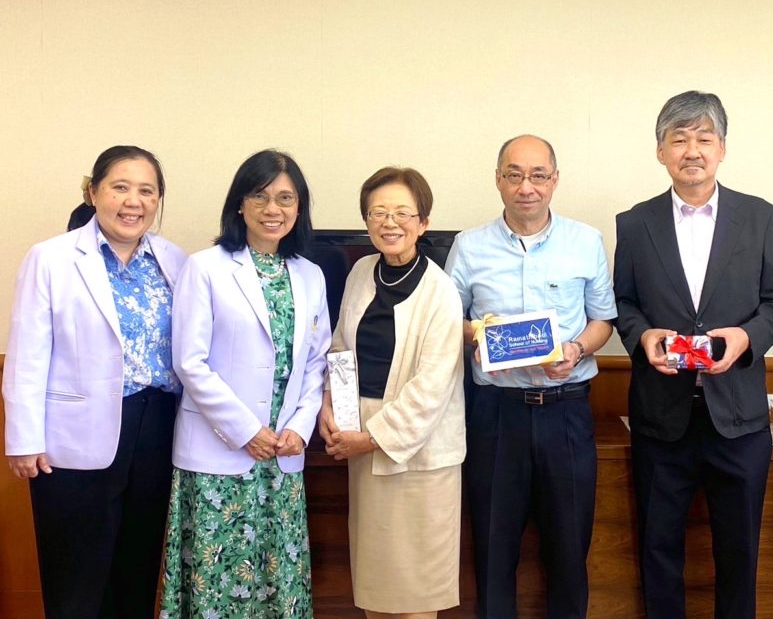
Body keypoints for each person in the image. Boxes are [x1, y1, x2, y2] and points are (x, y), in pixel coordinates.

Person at [613, 91, 773, 619]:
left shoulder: (759, 217)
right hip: (660, 418)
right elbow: (622, 302)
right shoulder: (634, 223)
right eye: (679, 139)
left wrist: (746, 339)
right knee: (658, 551)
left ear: (722, 149)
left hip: (738, 418)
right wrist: (642, 336)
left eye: (703, 138)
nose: (691, 150)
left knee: (739, 554)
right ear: (660, 151)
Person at [3, 146, 187, 619]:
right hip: (73, 434)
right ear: (93, 192)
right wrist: (24, 439)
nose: (133, 202)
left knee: (137, 568)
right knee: (76, 577)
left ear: (158, 199)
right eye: (120, 187)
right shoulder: (51, 258)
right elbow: (27, 356)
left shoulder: (173, 260)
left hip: (157, 427)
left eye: (147, 191)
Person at [445, 134, 616, 619]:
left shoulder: (585, 241)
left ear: (554, 180)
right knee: (493, 550)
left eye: (538, 175)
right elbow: (446, 319)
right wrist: (484, 335)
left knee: (570, 550)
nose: (527, 187)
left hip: (567, 413)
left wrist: (576, 349)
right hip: (497, 417)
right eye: (515, 175)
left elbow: (603, 320)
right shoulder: (468, 246)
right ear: (498, 180)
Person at [160, 150, 330, 618]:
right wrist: (245, 430)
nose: (273, 209)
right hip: (220, 452)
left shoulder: (310, 275)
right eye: (259, 196)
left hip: (281, 455)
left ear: (299, 207)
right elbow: (189, 362)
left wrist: (299, 428)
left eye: (285, 198)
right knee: (217, 583)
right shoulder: (206, 267)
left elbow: (316, 361)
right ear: (239, 203)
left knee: (278, 583)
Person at [319, 166, 466, 619]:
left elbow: (432, 387)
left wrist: (370, 438)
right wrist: (330, 404)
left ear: (423, 223)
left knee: (416, 592)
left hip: (420, 456)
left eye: (403, 213)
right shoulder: (361, 272)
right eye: (378, 212)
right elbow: (341, 347)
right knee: (376, 584)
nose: (390, 222)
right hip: (360, 443)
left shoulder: (441, 291)